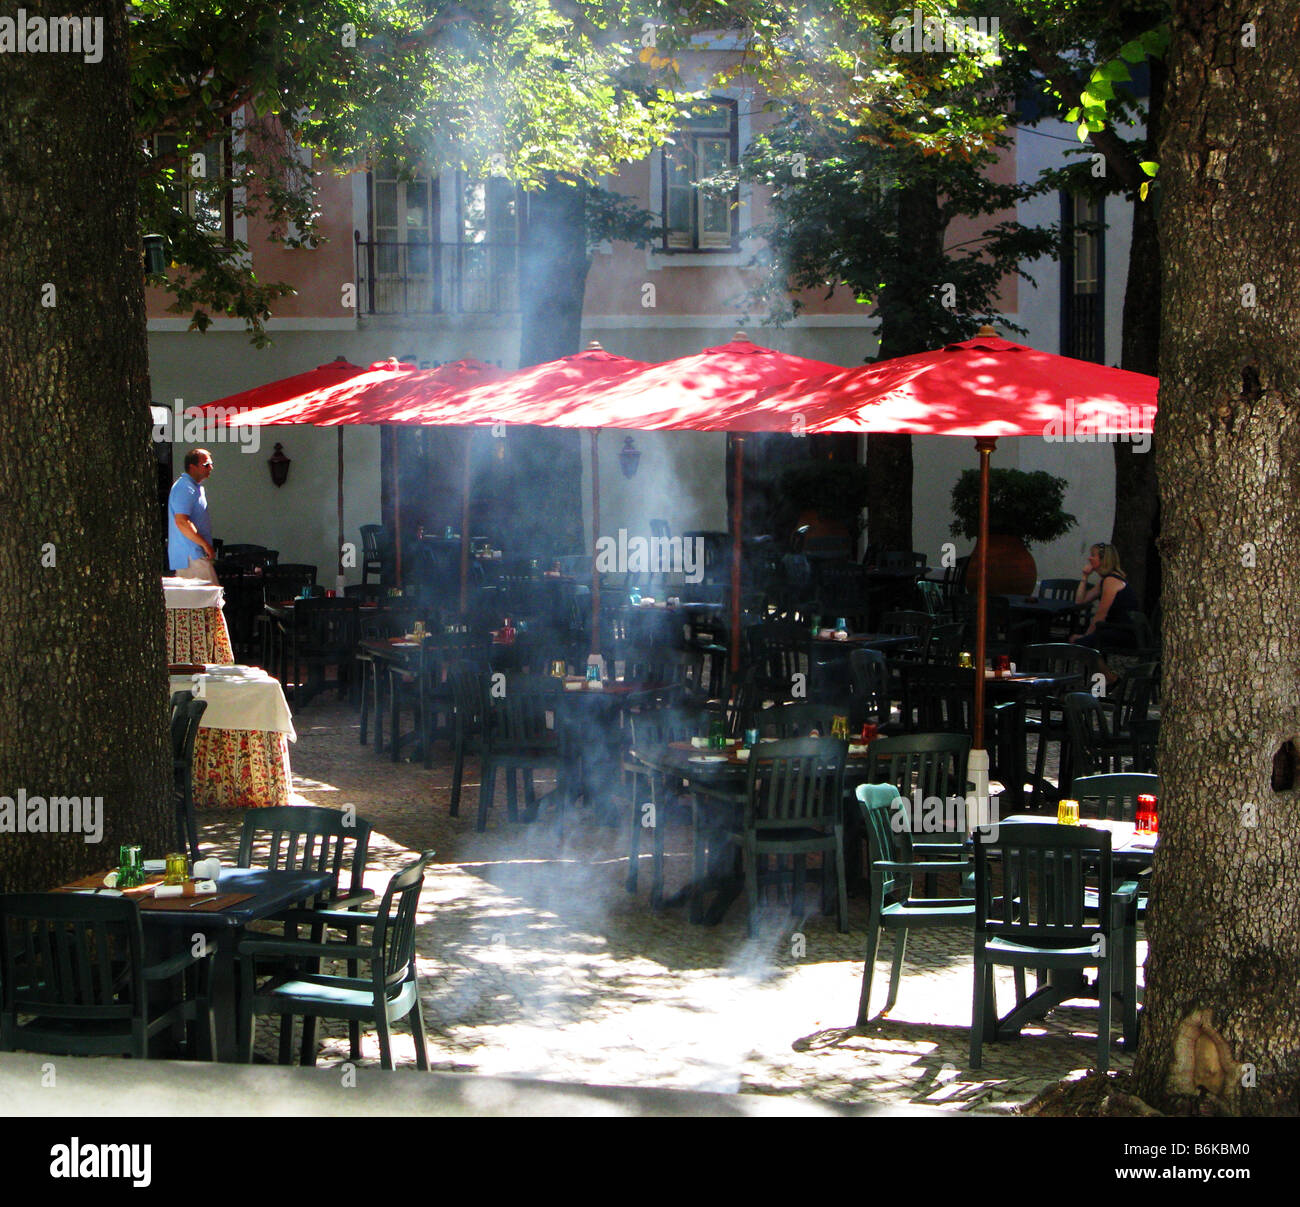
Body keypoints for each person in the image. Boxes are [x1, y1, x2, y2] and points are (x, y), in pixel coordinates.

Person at [1071, 541, 1140, 677]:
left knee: (1082, 644)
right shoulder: (1105, 581)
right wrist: (1085, 577)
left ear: (1103, 559)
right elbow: (1080, 601)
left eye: (1093, 556)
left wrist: (1086, 635)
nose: (1089, 559)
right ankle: (1101, 685)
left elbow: (1101, 615)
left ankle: (1109, 679)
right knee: (1082, 643)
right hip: (1111, 628)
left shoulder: (1111, 581)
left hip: (1124, 631)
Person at [168, 448, 217, 583]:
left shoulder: (193, 487)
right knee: (210, 599)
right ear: (192, 467)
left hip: (195, 555)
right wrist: (206, 545)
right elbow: (182, 522)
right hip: (191, 557)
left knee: (210, 600)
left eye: (211, 464)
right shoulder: (185, 487)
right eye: (206, 465)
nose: (211, 468)